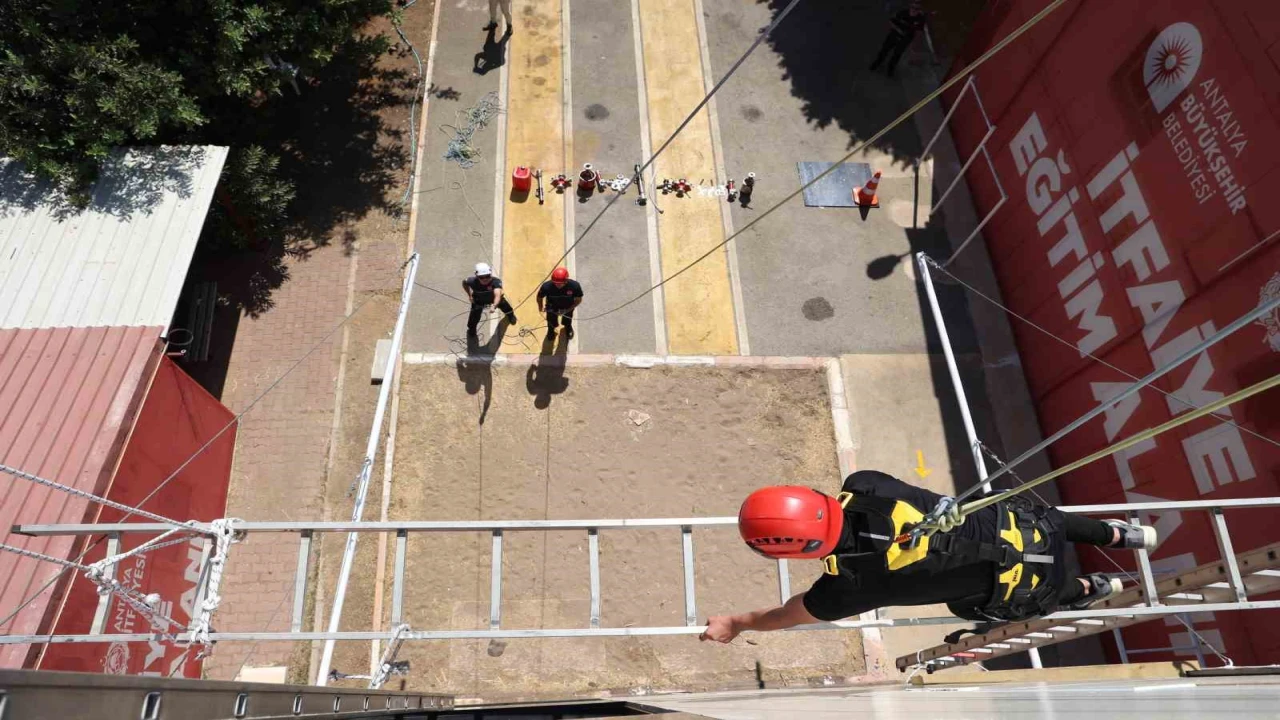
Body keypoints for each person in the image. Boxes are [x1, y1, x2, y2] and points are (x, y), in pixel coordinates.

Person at [700, 470, 1156, 644]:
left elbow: (785, 615)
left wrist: (736, 623)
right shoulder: (868, 485)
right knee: (1037, 517)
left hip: (1027, 585)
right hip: (1031, 528)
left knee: (967, 605)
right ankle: (1118, 534)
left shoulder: (847, 588)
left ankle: (1087, 589)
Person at [869, 1, 929, 77]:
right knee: (884, 50)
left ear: (920, 9)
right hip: (894, 35)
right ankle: (877, 64)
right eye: (912, 7)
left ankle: (890, 70)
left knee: (897, 54)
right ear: (910, 6)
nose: (914, 10)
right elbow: (891, 21)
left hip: (906, 39)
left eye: (917, 8)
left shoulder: (920, 18)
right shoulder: (903, 13)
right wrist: (898, 30)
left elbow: (919, 30)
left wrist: (914, 46)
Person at [463, 262, 517, 336]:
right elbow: (464, 282)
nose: (485, 279)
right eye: (481, 277)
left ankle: (510, 315)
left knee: (506, 307)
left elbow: (497, 295)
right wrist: (469, 295)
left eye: (487, 276)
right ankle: (472, 330)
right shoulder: (471, 281)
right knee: (473, 318)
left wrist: (494, 305)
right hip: (479, 301)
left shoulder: (496, 281)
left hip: (494, 299)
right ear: (476, 275)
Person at [536, 267, 584, 341]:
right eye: (555, 283)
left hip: (568, 307)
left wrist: (567, 310)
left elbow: (578, 300)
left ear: (566, 280)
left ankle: (567, 327)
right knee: (551, 321)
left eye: (561, 283)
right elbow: (539, 297)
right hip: (552, 307)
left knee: (568, 319)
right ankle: (551, 330)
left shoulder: (575, 286)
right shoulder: (546, 286)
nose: (558, 285)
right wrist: (540, 307)